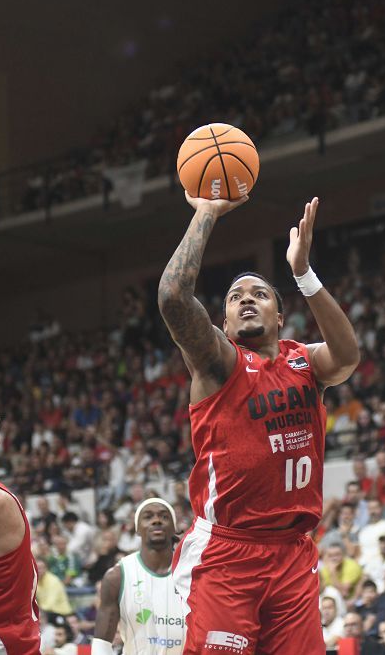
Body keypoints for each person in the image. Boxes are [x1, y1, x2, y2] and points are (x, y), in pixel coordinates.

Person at [158, 195, 359, 654]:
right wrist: (206, 212)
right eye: (235, 297)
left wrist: (303, 274)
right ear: (223, 322)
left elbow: (348, 357)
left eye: (259, 294)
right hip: (228, 553)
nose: (247, 299)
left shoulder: (303, 361)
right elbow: (172, 297)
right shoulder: (219, 363)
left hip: (292, 552)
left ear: (280, 315)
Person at [95, 498, 185, 654]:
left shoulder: (192, 572)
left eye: (164, 517)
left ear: (174, 527)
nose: (156, 520)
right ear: (137, 528)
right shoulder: (117, 576)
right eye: (148, 517)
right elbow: (102, 644)